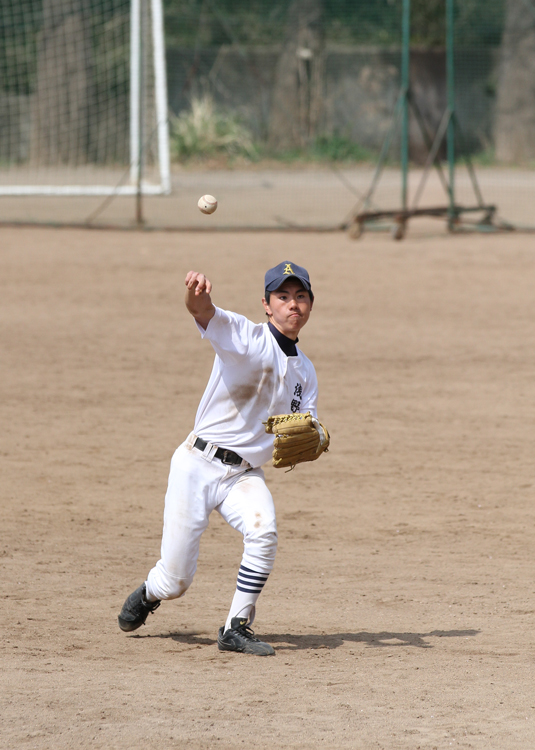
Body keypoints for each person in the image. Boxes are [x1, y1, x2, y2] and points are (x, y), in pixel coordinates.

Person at [118, 260, 323, 655]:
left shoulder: (306, 373)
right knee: (175, 582)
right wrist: (197, 296)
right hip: (197, 465)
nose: (292, 305)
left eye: (301, 297)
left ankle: (236, 627)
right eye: (283, 297)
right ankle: (150, 592)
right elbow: (202, 312)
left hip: (243, 475)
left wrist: (312, 433)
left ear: (310, 305)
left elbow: (308, 423)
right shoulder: (244, 335)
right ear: (266, 304)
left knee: (264, 531)